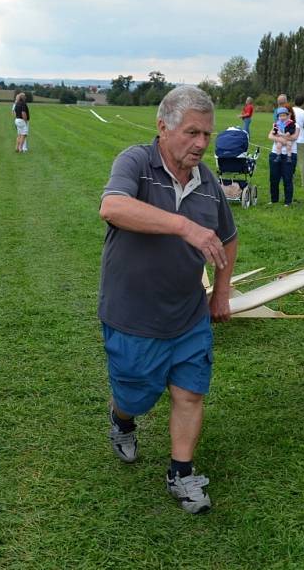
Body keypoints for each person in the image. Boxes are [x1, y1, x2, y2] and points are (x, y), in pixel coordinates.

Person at [98, 85, 238, 514]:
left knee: (190, 394)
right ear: (163, 127)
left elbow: (228, 239)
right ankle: (123, 418)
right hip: (133, 314)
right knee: (137, 394)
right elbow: (113, 207)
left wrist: (222, 291)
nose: (200, 144)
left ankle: (181, 472)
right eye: (191, 133)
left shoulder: (209, 183)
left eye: (207, 135)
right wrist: (184, 227)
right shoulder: (137, 163)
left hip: (188, 313)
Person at [267, 106, 298, 206]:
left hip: (289, 154)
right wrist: (284, 140)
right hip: (275, 153)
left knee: (287, 178)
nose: (283, 116)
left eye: (285, 114)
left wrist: (279, 137)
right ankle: (274, 199)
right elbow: (270, 136)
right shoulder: (277, 124)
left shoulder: (295, 125)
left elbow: (293, 137)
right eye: (280, 115)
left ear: (289, 114)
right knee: (274, 178)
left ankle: (288, 201)